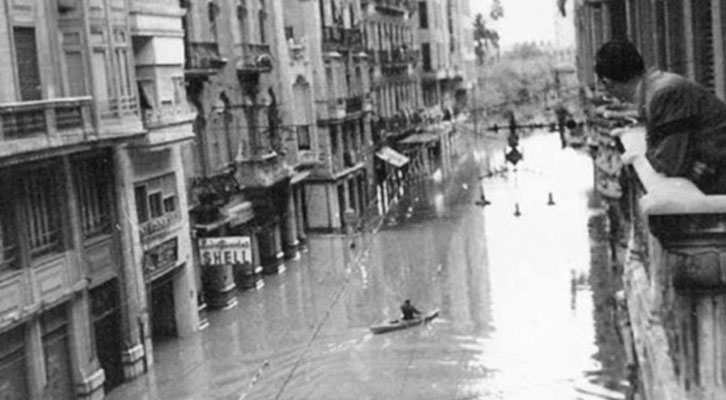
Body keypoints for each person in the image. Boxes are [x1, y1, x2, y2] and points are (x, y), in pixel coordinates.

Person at [594, 40, 726, 194]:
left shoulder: (663, 94)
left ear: (608, 82)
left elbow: (670, 163)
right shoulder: (656, 88)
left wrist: (650, 152)